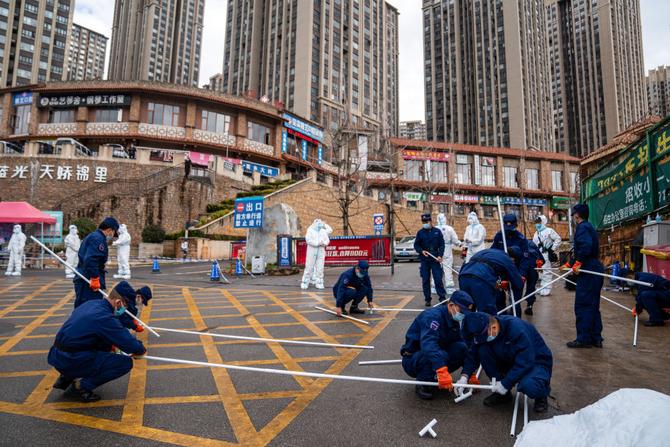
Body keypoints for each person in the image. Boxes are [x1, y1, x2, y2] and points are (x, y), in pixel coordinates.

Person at [47, 286, 147, 402]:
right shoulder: (105, 317)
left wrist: (111, 345)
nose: (124, 310)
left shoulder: (91, 304)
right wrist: (140, 350)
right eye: (125, 307)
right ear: (118, 302)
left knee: (105, 346)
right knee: (125, 363)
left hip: (57, 356)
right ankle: (81, 386)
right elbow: (131, 345)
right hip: (71, 359)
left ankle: (66, 377)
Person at [459, 312, 552, 413]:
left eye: (482, 337)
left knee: (530, 386)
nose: (481, 339)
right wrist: (464, 376)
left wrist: (506, 382)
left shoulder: (517, 329)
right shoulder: (484, 330)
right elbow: (473, 354)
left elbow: (526, 361)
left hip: (535, 362)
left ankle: (542, 393)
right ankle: (503, 394)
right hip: (510, 358)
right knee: (483, 350)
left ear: (493, 327)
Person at [401, 291, 475, 400]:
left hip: (436, 352)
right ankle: (423, 382)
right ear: (451, 305)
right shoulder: (433, 317)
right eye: (462, 311)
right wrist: (441, 369)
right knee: (440, 354)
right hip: (413, 357)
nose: (463, 315)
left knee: (461, 348)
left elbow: (462, 344)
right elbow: (428, 345)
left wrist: (468, 373)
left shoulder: (452, 318)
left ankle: (436, 378)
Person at [561, 204, 604, 348]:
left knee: (583, 305)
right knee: (593, 305)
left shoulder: (582, 227)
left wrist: (579, 262)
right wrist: (570, 264)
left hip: (588, 269)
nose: (573, 218)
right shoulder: (589, 227)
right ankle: (596, 338)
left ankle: (584, 339)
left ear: (577, 215)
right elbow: (581, 249)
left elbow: (585, 246)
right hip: (594, 267)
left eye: (573, 216)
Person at [459, 248, 524, 315]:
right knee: (487, 314)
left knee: (466, 308)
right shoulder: (507, 260)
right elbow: (519, 283)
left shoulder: (489, 252)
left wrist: (498, 283)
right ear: (513, 259)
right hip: (480, 280)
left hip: (463, 276)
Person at [73, 217, 119, 308]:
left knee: (83, 308)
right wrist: (95, 278)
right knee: (89, 308)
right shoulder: (98, 239)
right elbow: (91, 260)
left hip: (85, 277)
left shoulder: (93, 236)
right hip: (88, 280)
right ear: (110, 230)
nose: (112, 236)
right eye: (113, 233)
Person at [414, 214, 446, 306]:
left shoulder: (437, 232)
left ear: (431, 221)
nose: (425, 223)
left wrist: (440, 255)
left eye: (426, 222)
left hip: (435, 258)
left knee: (438, 279)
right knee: (425, 280)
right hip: (425, 259)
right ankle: (427, 299)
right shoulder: (420, 233)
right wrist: (421, 251)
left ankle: (442, 298)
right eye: (423, 222)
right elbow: (416, 245)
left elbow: (442, 244)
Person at [532, 215, 562, 296]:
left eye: (539, 222)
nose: (537, 224)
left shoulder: (549, 231)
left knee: (547, 272)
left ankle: (547, 290)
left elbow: (558, 239)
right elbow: (534, 244)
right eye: (536, 222)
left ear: (543, 221)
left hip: (546, 254)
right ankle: (542, 288)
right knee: (541, 273)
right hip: (538, 255)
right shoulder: (536, 233)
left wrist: (552, 249)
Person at [301, 219, 332, 290]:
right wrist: (317, 243)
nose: (319, 225)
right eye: (318, 223)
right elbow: (308, 240)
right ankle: (305, 282)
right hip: (312, 251)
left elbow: (327, 240)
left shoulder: (323, 231)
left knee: (320, 268)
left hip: (321, 251)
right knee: (309, 267)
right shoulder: (310, 230)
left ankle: (319, 282)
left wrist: (324, 243)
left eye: (320, 223)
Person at [435, 213, 461, 291]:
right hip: (447, 250)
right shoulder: (449, 229)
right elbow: (455, 240)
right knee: (448, 268)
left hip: (436, 250)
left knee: (436, 269)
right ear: (445, 219)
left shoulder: (434, 229)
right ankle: (449, 288)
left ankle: (434, 286)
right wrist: (459, 243)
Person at [522, 240, 544, 316]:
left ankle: (514, 305)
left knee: (517, 287)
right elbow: (541, 259)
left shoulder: (516, 244)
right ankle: (530, 305)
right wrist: (539, 264)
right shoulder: (531, 243)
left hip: (522, 268)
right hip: (533, 268)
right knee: (531, 287)